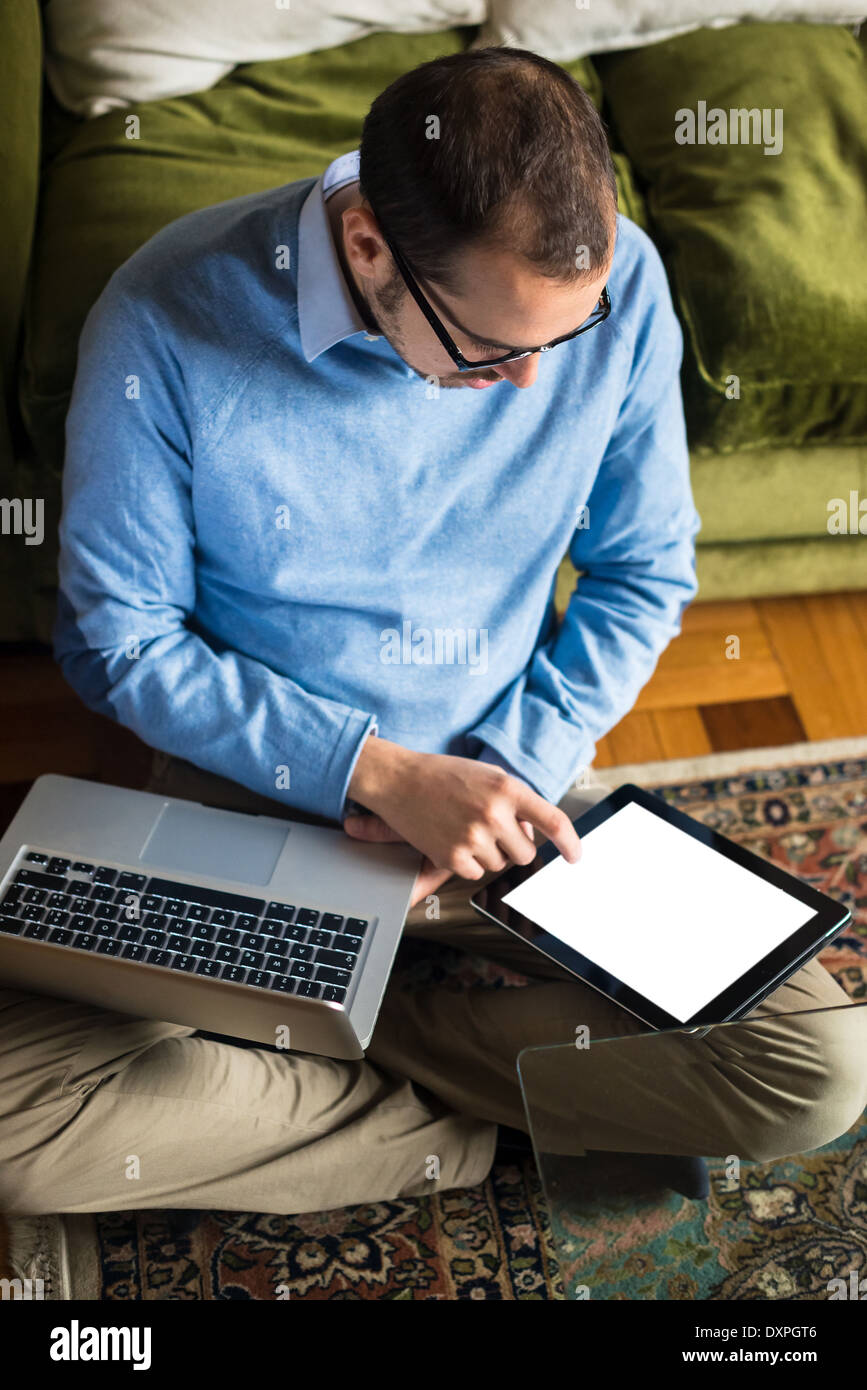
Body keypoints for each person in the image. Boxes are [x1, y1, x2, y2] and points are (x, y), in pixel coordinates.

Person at [1, 48, 863, 1218]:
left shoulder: (625, 286)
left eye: (560, 342)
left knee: (819, 1065)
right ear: (367, 248)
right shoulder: (164, 316)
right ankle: (464, 1118)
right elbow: (121, 641)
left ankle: (323, 1054)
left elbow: (644, 570)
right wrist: (378, 772)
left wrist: (495, 776)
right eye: (489, 348)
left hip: (515, 800)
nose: (528, 383)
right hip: (261, 806)